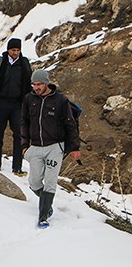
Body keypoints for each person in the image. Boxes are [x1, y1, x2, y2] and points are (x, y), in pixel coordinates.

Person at [21, 70, 81, 229]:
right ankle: (47, 205)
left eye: (39, 84)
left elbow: (70, 125)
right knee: (34, 182)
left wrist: (74, 148)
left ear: (46, 83)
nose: (36, 88)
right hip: (35, 146)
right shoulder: (29, 99)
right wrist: (24, 146)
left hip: (55, 147)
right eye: (34, 84)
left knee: (50, 182)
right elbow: (24, 123)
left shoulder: (60, 100)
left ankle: (43, 217)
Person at [0, 37, 32, 175]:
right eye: (13, 50)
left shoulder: (24, 63)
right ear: (8, 50)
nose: (15, 53)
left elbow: (28, 83)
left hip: (18, 103)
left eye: (17, 50)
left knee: (19, 135)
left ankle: (17, 166)